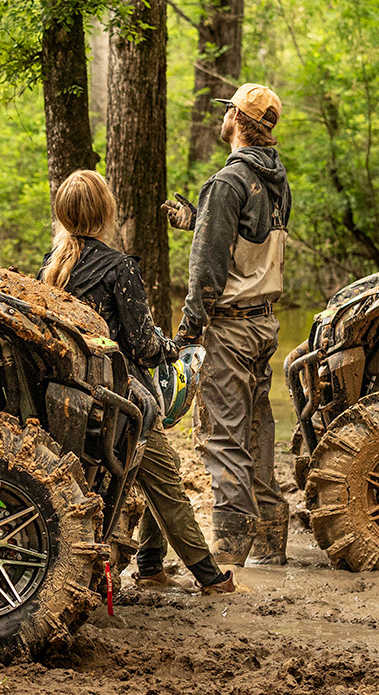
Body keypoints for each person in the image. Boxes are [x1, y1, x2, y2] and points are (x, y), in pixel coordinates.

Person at [41, 169, 234, 595]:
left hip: (70, 397)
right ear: (106, 212)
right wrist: (174, 347)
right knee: (167, 482)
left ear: (62, 214)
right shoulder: (119, 268)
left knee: (157, 472)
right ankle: (212, 578)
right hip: (120, 401)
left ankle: (149, 564)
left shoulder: (49, 268)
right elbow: (144, 347)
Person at [166, 82, 290, 567]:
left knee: (221, 435)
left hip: (231, 327)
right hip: (264, 324)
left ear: (236, 118)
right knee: (257, 429)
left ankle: (232, 549)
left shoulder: (226, 183)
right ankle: (271, 544)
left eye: (227, 111)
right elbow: (250, 241)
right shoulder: (275, 179)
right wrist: (200, 219)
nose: (223, 118)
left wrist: (187, 332)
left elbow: (209, 269)